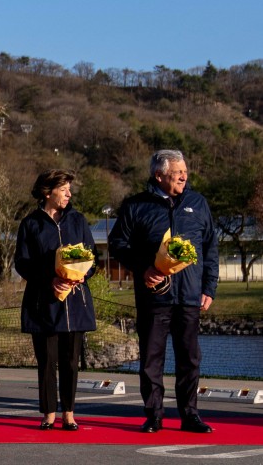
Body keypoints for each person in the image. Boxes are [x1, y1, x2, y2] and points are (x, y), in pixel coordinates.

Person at [109, 149, 218, 434]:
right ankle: (154, 415)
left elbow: (210, 247)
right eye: (177, 172)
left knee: (190, 359)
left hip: (190, 296)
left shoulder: (198, 203)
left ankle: (190, 415)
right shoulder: (135, 205)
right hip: (154, 297)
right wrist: (143, 267)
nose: (184, 176)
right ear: (159, 176)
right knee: (151, 359)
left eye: (185, 171)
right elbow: (117, 244)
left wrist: (209, 287)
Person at [14, 170, 97, 431]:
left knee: (71, 362)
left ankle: (69, 413)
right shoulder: (30, 224)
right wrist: (49, 279)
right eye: (64, 189)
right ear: (47, 192)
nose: (69, 194)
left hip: (75, 302)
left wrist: (82, 275)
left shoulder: (78, 220)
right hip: (43, 303)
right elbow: (22, 263)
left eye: (69, 189)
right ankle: (49, 412)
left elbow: (92, 257)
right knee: (47, 361)